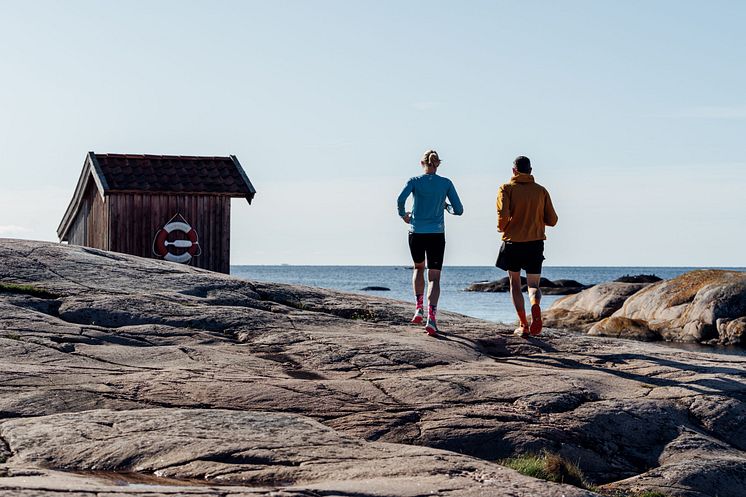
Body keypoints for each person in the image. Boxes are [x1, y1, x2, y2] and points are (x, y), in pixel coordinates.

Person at [397, 149, 463, 336]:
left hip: (416, 232)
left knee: (418, 268)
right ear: (438, 164)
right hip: (436, 234)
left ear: (422, 163)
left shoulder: (414, 182)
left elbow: (400, 199)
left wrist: (404, 215)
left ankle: (418, 309)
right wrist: (445, 206)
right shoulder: (446, 183)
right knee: (434, 277)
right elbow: (458, 210)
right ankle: (431, 319)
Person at [496, 155, 558, 337]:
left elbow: (503, 215)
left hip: (512, 242)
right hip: (535, 242)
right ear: (531, 171)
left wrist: (502, 227)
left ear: (514, 170)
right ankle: (535, 305)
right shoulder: (541, 191)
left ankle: (523, 325)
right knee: (533, 285)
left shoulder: (506, 189)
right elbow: (552, 220)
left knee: (514, 283)